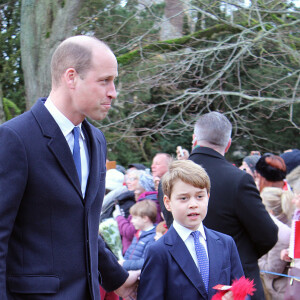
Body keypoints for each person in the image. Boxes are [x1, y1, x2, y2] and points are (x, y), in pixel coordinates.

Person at [0, 35, 139, 299]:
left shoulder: (96, 140)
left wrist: (117, 278)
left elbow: (82, 226)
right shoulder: (14, 138)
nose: (113, 92)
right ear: (71, 77)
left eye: (114, 81)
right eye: (104, 81)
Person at [187, 112, 277, 299]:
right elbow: (267, 234)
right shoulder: (238, 179)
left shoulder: (169, 180)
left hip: (186, 281)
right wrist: (243, 255)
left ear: (194, 139)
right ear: (228, 144)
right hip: (235, 281)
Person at [138, 160, 244, 300]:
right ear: (168, 203)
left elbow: (242, 289)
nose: (193, 204)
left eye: (200, 196)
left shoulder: (226, 243)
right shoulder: (159, 251)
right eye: (184, 198)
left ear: (208, 197)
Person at [258, 187, 292, 299]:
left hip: (281, 292)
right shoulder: (289, 221)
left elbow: (272, 271)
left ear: (270, 212)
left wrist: (255, 258)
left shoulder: (280, 233)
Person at [119, 200, 157, 271]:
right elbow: (129, 252)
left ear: (145, 219)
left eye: (135, 218)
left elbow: (145, 262)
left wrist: (124, 264)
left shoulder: (153, 237)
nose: (131, 221)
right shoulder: (138, 233)